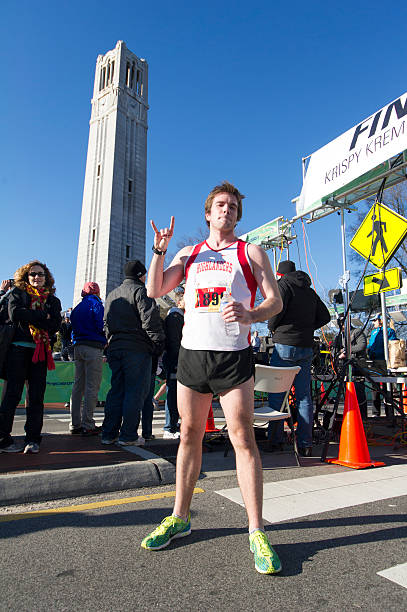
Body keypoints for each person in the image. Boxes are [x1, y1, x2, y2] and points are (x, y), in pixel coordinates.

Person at [141, 181, 283, 576]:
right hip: (192, 356)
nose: (227, 210)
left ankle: (256, 529)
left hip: (232, 356)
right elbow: (154, 290)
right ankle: (180, 516)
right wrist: (160, 249)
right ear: (207, 213)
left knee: (242, 438)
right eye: (221, 205)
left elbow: (276, 299)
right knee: (189, 435)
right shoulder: (190, 253)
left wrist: (252, 314)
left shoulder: (250, 251)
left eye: (234, 207)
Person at [267, 260, 330, 456]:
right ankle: (306, 444)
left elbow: (276, 310)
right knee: (304, 397)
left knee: (277, 395)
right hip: (305, 347)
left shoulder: (283, 285)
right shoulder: (309, 291)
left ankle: (275, 441)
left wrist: (272, 327)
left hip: (285, 345)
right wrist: (308, 328)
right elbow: (325, 316)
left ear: (280, 274)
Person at [0, 261, 61, 454]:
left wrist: (32, 316)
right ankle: (3, 438)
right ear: (26, 276)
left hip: (40, 351)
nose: (37, 277)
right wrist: (43, 316)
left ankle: (33, 439)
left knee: (36, 397)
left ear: (46, 277)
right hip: (17, 351)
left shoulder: (53, 300)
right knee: (11, 395)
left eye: (40, 274)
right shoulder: (17, 293)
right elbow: (15, 313)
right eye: (33, 274)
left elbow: (56, 324)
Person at [102, 261, 165, 446]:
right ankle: (128, 435)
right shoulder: (141, 291)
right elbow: (150, 320)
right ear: (141, 275)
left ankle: (109, 433)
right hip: (136, 348)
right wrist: (158, 343)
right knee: (135, 391)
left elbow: (106, 323)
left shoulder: (112, 294)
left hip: (115, 346)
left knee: (116, 390)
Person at [69, 282, 105, 435]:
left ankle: (74, 423)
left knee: (78, 385)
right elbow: (100, 325)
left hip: (78, 346)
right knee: (92, 386)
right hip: (93, 346)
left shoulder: (77, 308)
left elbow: (71, 329)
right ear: (97, 292)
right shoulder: (96, 304)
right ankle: (88, 423)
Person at [162, 292, 185, 439]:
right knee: (173, 393)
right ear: (179, 302)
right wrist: (177, 361)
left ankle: (172, 424)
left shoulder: (176, 318)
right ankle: (169, 427)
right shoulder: (175, 318)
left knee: (176, 393)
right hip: (175, 360)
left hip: (176, 359)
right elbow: (174, 342)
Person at [367, 313, 397, 417]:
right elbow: (371, 345)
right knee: (375, 388)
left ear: (381, 320)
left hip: (385, 362)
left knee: (386, 387)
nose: (373, 322)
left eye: (375, 320)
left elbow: (392, 345)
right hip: (374, 362)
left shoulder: (389, 331)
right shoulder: (374, 332)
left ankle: (390, 412)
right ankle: (376, 413)